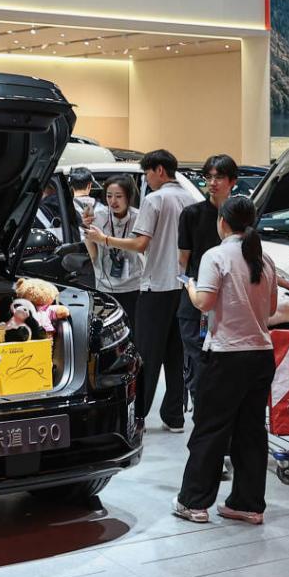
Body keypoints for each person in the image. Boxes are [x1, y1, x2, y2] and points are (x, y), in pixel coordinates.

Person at [173, 195, 277, 524]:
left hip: (225, 355)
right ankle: (248, 504)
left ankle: (194, 502)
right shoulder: (264, 258)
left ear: (223, 222)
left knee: (211, 429)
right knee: (251, 431)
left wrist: (190, 286)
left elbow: (204, 303)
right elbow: (272, 308)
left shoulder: (215, 256)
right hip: (261, 354)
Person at [87, 149, 197, 432]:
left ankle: (139, 415)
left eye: (148, 173)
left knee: (146, 353)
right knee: (176, 354)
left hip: (156, 284)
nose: (146, 179)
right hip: (184, 286)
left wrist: (104, 239)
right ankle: (174, 416)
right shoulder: (190, 198)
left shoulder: (154, 199)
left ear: (159, 170)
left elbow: (139, 244)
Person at [177, 154, 236, 407]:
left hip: (231, 303)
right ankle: (202, 414)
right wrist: (190, 286)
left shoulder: (241, 214)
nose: (212, 182)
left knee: (225, 365)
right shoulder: (191, 214)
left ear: (232, 181)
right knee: (199, 360)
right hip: (196, 301)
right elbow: (183, 262)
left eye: (219, 177)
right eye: (208, 177)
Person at [83, 175, 144, 334]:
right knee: (108, 332)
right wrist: (87, 229)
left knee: (134, 330)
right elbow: (93, 253)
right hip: (105, 285)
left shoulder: (139, 218)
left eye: (118, 196)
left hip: (133, 284)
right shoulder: (98, 216)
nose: (113, 201)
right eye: (109, 196)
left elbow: (141, 247)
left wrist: (104, 239)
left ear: (129, 197)